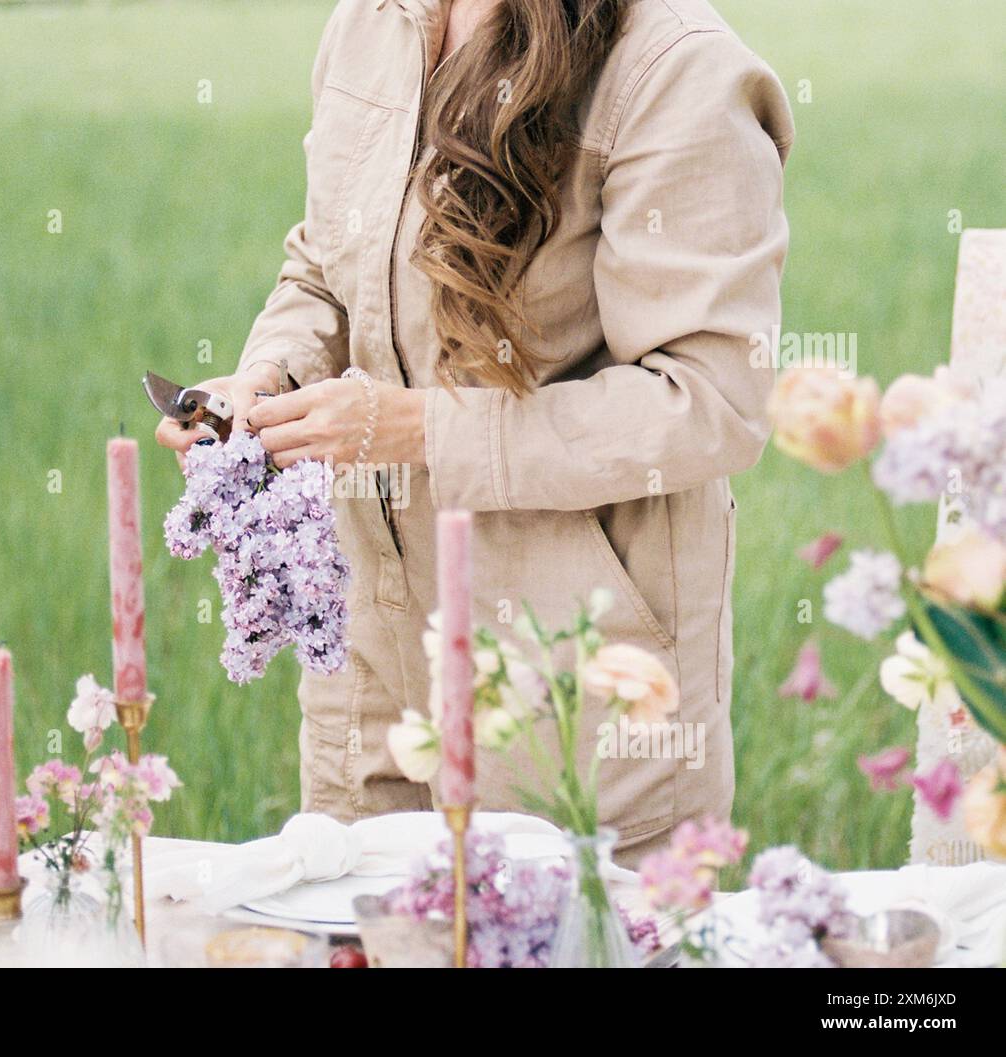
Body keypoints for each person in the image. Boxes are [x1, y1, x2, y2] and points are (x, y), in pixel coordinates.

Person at [157, 0, 793, 867]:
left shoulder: (676, 68)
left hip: (572, 689)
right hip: (368, 670)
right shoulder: (373, 22)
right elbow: (325, 268)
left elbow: (710, 403)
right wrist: (271, 378)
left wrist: (416, 429)